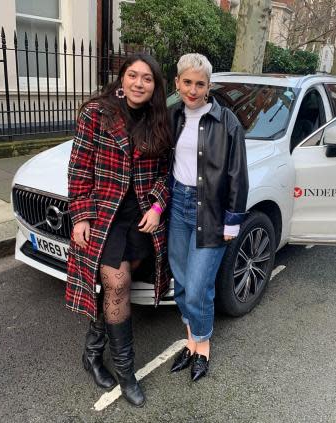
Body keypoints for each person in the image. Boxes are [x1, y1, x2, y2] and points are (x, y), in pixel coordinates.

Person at [66, 53, 172, 406]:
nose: (139, 83)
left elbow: (167, 173)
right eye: (133, 75)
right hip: (105, 215)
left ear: (155, 86)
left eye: (147, 78)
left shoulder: (160, 120)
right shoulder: (96, 113)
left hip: (141, 217)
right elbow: (79, 166)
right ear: (122, 78)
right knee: (116, 283)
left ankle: (92, 352)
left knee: (123, 284)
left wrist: (157, 206)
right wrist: (80, 216)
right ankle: (126, 372)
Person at [167, 53, 249, 381]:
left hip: (211, 212)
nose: (193, 89)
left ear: (208, 86)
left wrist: (233, 220)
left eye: (200, 84)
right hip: (177, 207)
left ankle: (203, 348)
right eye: (187, 82)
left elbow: (237, 174)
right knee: (184, 284)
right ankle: (190, 343)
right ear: (177, 83)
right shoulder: (173, 117)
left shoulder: (226, 121)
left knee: (200, 286)